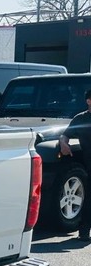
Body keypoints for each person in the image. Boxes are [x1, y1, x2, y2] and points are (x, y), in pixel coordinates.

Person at [59, 88, 91, 241]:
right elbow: (65, 134)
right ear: (88, 101)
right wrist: (63, 143)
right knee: (89, 200)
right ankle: (84, 233)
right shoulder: (81, 119)